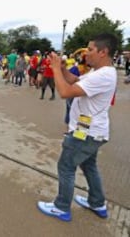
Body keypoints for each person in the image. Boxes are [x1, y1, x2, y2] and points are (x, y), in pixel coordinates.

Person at [37, 33, 118, 222]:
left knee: (66, 165)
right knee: (88, 164)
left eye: (90, 50)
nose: (86, 53)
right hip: (88, 128)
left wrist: (56, 69)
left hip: (87, 131)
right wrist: (64, 70)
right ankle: (97, 202)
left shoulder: (103, 75)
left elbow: (65, 92)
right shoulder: (99, 72)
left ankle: (61, 206)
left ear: (103, 52)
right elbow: (75, 81)